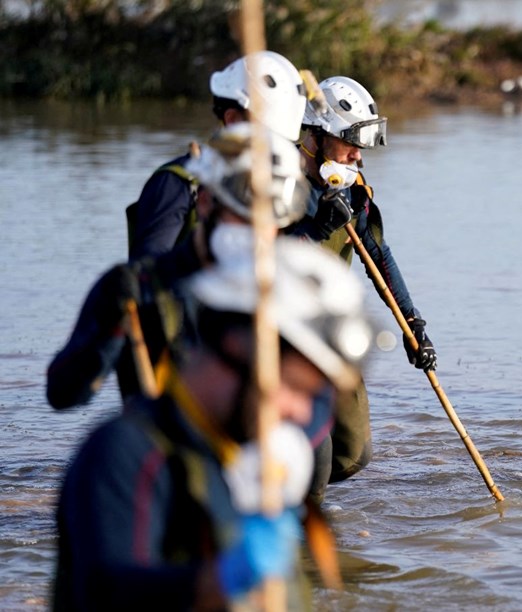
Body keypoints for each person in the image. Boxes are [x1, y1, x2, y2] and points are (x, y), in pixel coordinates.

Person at [52, 236, 372, 611]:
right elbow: (106, 591)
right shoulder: (128, 451)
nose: (303, 413)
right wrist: (218, 582)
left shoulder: (252, 463)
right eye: (296, 387)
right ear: (236, 348)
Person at [47, 122, 309, 411]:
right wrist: (107, 328)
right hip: (157, 450)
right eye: (244, 216)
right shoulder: (136, 286)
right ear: (206, 203)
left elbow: (316, 416)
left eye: (271, 223)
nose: (259, 233)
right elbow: (62, 395)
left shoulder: (289, 293)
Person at [285, 75, 437, 484]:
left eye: (361, 146)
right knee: (312, 466)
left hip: (333, 334)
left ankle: (294, 496)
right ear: (316, 136)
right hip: (281, 336)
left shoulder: (352, 192)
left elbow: (378, 256)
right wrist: (314, 230)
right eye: (350, 143)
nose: (357, 155)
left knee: (353, 455)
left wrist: (413, 325)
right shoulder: (278, 183)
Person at [126, 50, 307, 261]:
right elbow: (146, 274)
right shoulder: (179, 184)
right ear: (232, 120)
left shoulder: (277, 186)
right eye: (269, 137)